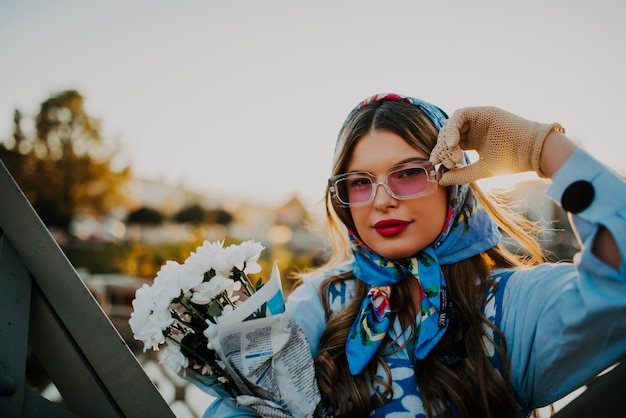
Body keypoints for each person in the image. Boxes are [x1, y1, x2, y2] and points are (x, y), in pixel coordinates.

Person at [206, 93, 625, 417]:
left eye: (408, 174)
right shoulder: (323, 302)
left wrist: (540, 145)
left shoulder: (510, 307)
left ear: (453, 182)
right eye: (359, 182)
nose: (383, 200)